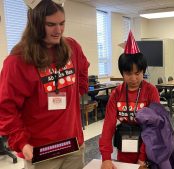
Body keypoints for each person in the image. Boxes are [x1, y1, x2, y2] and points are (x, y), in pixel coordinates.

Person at [0, 0, 89, 169]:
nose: (58, 30)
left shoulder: (72, 47)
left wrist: (78, 92)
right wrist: (21, 142)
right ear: (36, 23)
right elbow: (6, 109)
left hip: (73, 145)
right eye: (50, 24)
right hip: (40, 151)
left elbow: (83, 68)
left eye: (62, 24)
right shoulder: (17, 61)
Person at [99, 31, 160, 169]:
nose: (133, 79)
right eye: (128, 74)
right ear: (122, 73)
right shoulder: (117, 94)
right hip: (124, 149)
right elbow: (108, 127)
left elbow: (153, 128)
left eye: (138, 73)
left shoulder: (151, 91)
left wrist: (142, 157)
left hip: (148, 151)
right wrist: (106, 158)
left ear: (143, 71)